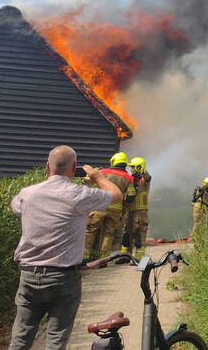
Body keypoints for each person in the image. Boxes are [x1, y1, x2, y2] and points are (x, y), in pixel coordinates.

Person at [8, 145, 123, 350]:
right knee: (56, 340)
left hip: (29, 275)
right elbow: (116, 195)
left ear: (47, 167)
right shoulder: (80, 194)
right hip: (63, 277)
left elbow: (15, 206)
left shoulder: (27, 193)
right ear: (74, 168)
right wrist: (98, 177)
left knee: (20, 338)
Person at [83, 152, 135, 261]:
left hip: (100, 206)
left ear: (113, 161)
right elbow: (131, 196)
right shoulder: (129, 178)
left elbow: (88, 181)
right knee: (109, 234)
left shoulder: (103, 172)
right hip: (116, 210)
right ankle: (103, 260)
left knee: (90, 231)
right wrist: (123, 209)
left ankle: (84, 257)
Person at [120, 157, 151, 258]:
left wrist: (144, 173)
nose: (131, 169)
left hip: (140, 212)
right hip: (129, 210)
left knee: (139, 233)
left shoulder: (144, 180)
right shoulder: (130, 179)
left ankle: (139, 256)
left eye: (133, 167)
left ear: (139, 167)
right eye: (131, 167)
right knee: (127, 233)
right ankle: (125, 256)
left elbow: (148, 177)